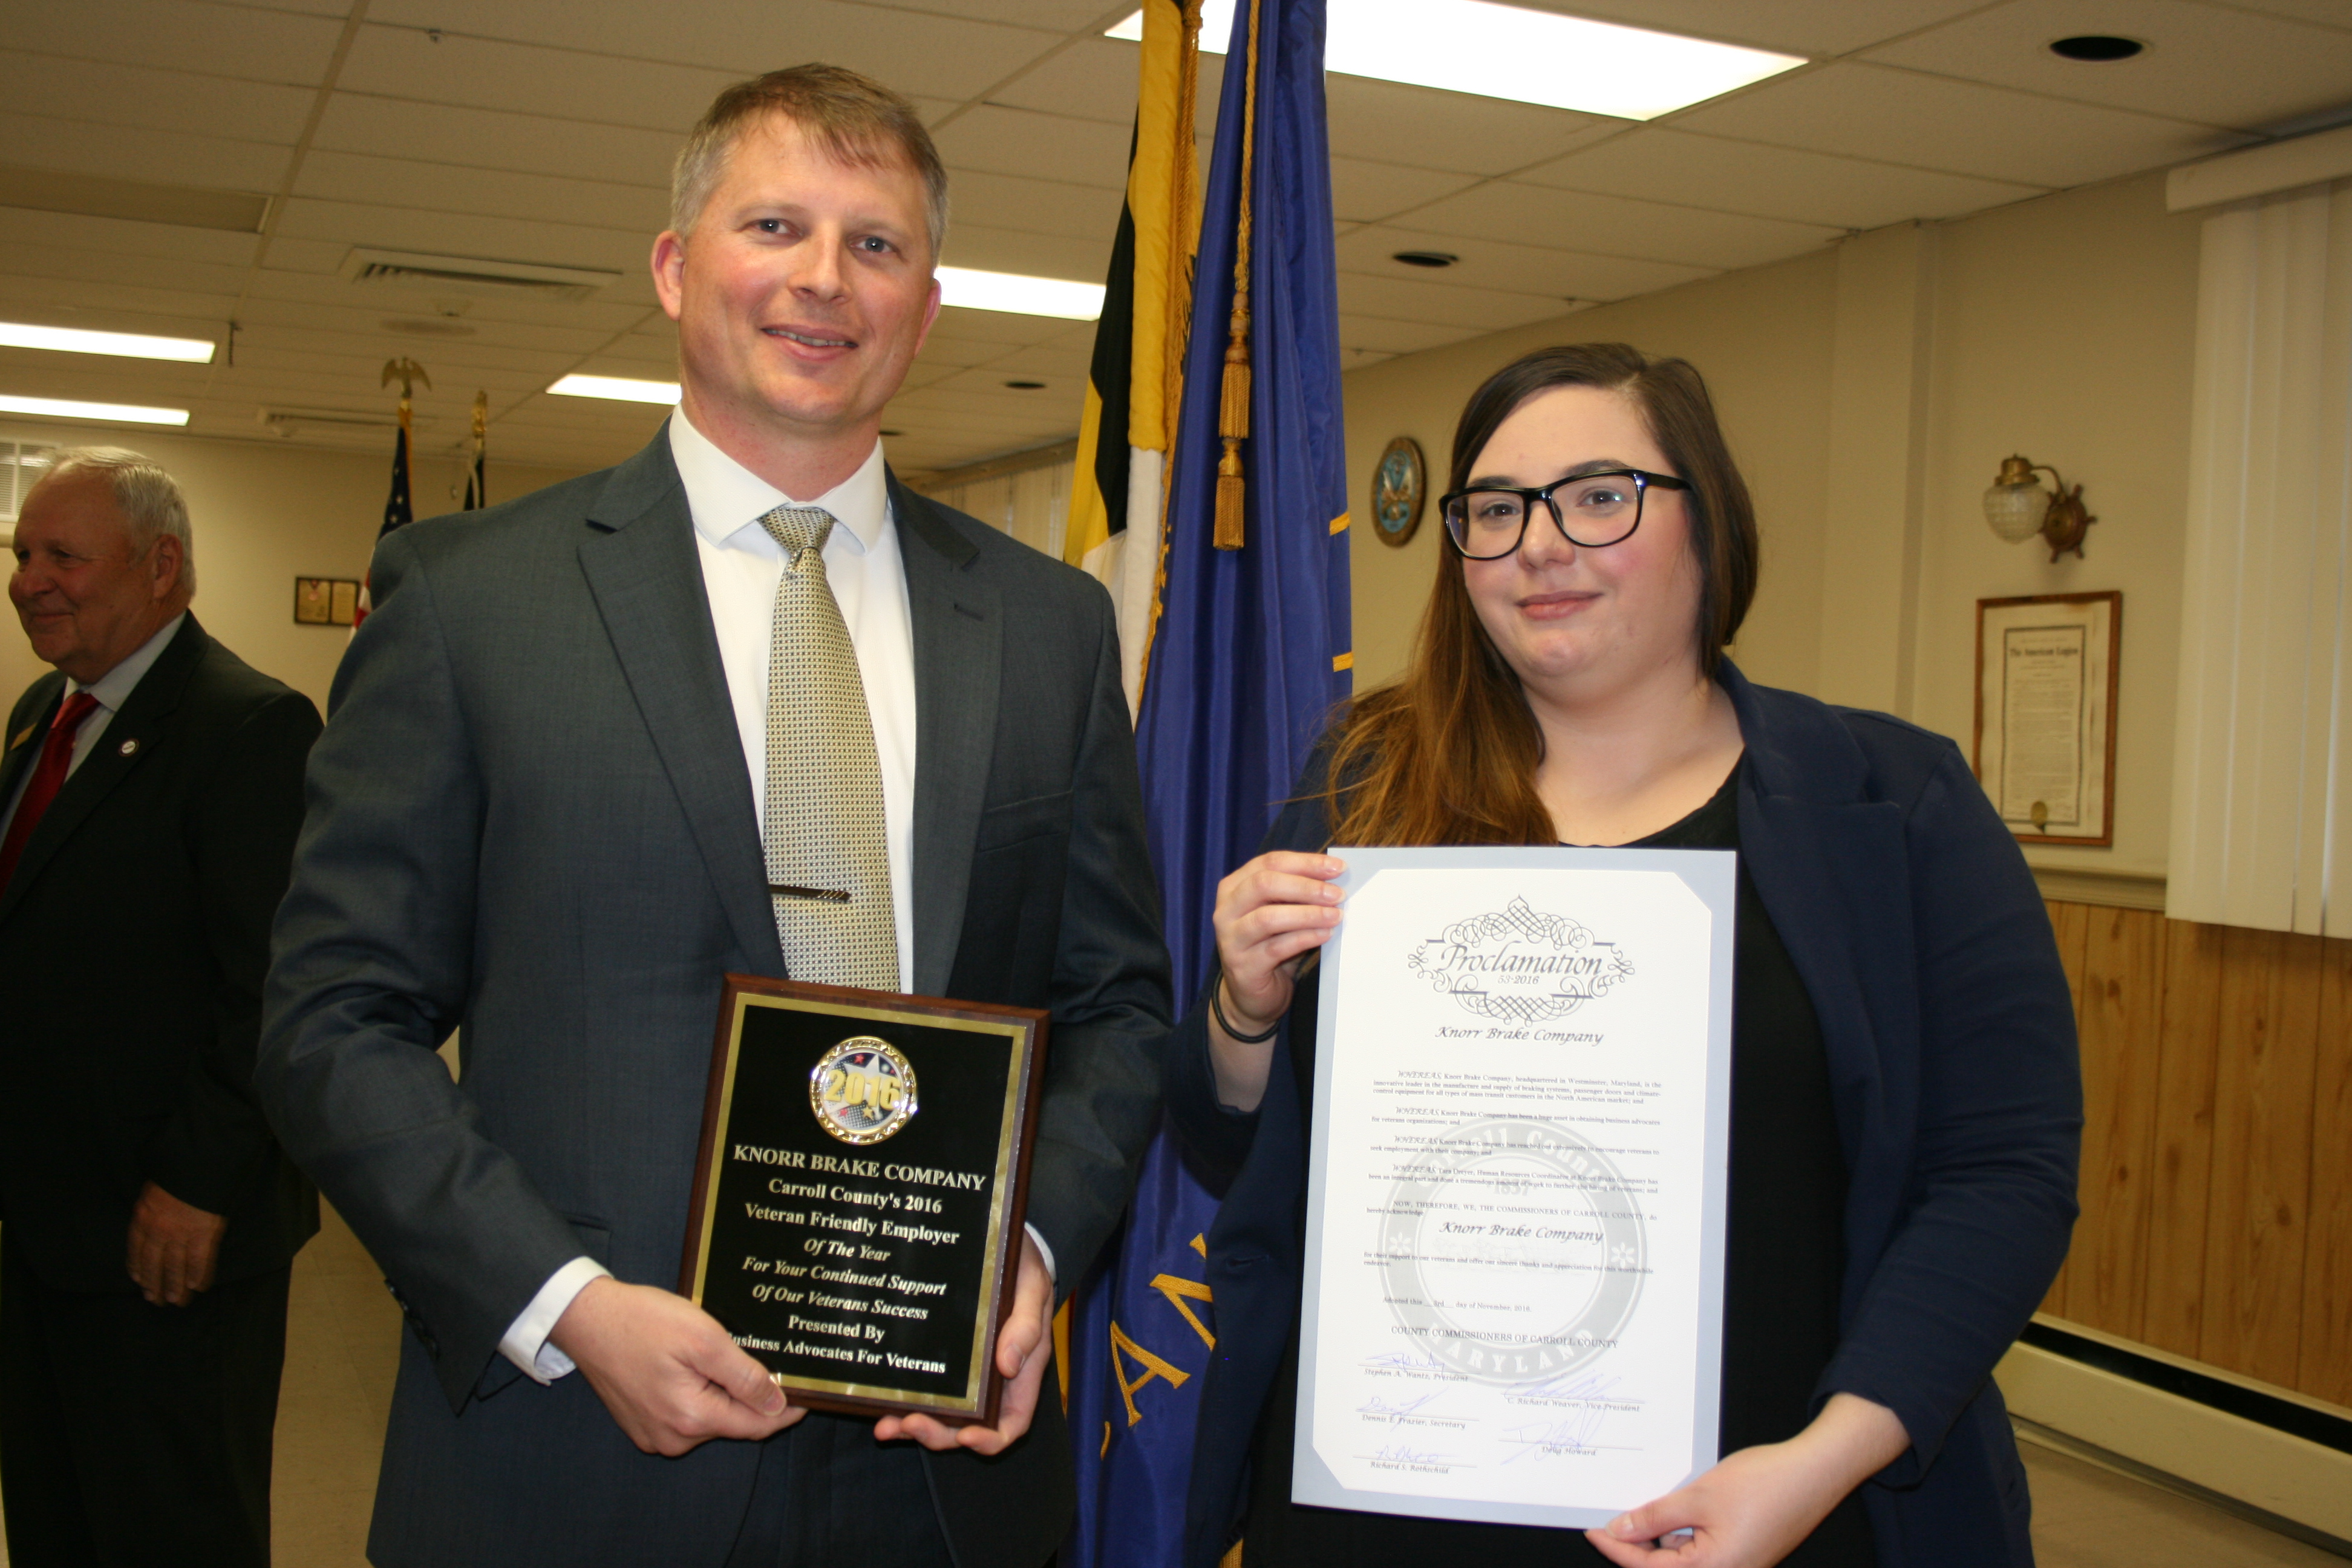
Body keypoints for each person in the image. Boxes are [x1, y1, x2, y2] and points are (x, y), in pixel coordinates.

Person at [256, 63, 1170, 1568]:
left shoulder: (1046, 626)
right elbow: (333, 1017)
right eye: (775, 226)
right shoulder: (476, 603)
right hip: (574, 1451)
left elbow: (1120, 1005)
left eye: (875, 245)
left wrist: (1035, 1249)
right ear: (679, 269)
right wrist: (564, 1306)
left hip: (940, 1471)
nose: (825, 279)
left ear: (925, 309)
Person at [1164, 344, 2081, 1568]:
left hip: (1770, 1508)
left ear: (1709, 521)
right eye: (1496, 510)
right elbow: (1239, 1152)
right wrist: (1245, 1009)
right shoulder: (1365, 792)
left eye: (1600, 496)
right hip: (1390, 1498)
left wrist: (1824, 1461)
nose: (1540, 544)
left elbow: (2003, 1172)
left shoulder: (1892, 806)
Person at [0, 447, 321, 1567]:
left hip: (170, 1236)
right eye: (22, 554)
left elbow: (274, 989)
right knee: (54, 1517)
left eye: (63, 556)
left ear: (162, 568)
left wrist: (196, 1179)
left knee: (167, 1525)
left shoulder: (251, 728)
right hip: (45, 1224)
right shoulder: (47, 710)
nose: (31, 578)